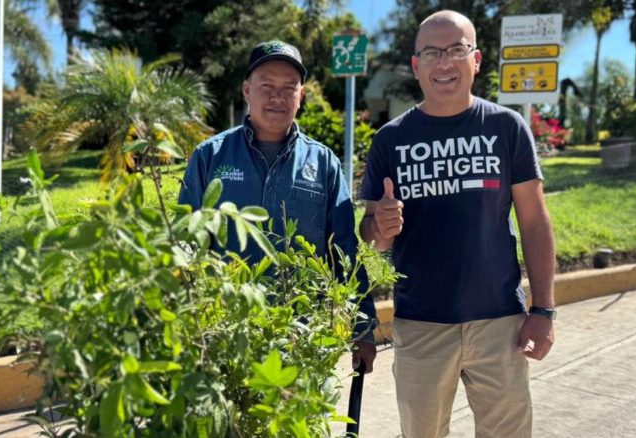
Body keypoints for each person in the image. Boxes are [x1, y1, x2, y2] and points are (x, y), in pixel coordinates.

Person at [359, 11, 556, 437]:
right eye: (431, 52)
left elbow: (535, 223)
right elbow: (370, 235)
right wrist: (381, 227)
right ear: (416, 65)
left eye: (456, 50)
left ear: (477, 60)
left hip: (500, 323)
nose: (444, 63)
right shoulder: (391, 139)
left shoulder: (507, 128)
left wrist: (543, 309)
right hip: (420, 324)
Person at [178, 40, 378, 373]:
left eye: (289, 88)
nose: (277, 97)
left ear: (300, 96)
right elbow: (186, 245)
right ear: (246, 90)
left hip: (301, 341)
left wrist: (364, 327)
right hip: (225, 335)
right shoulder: (210, 157)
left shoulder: (323, 162)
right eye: (266, 86)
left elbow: (345, 249)